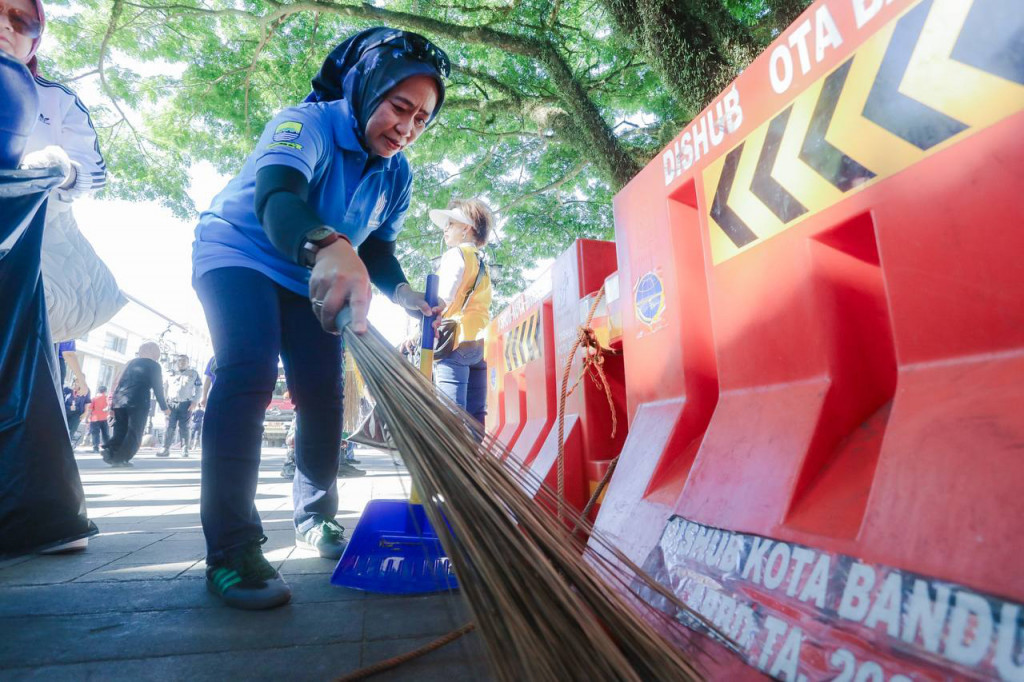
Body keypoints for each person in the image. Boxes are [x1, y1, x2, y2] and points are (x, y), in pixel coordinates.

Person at [191, 27, 448, 610]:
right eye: (398, 107)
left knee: (324, 394)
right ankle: (231, 548)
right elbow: (278, 198)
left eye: (421, 119)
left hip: (312, 277)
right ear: (366, 89)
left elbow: (377, 248)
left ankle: (315, 516)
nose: (406, 128)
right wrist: (327, 245)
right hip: (240, 254)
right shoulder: (304, 124)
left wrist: (403, 292)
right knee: (249, 372)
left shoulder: (398, 175)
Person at [428, 199, 493, 425]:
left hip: (454, 344)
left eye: (451, 224)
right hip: (479, 345)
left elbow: (443, 299)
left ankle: (451, 450)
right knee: (476, 416)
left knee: (451, 415)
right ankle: (473, 450)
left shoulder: (456, 255)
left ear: (466, 228)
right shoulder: (481, 261)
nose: (445, 229)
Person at [103, 342, 169, 467]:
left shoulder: (130, 363)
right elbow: (158, 388)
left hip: (120, 400)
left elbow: (117, 382)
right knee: (134, 432)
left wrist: (112, 405)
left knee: (120, 430)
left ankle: (111, 451)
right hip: (138, 401)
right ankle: (121, 458)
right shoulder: (154, 365)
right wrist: (164, 407)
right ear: (155, 352)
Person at [159, 354, 201, 458]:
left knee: (185, 427)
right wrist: (164, 404)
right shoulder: (169, 373)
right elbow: (164, 389)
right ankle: (165, 448)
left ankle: (184, 449)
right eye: (180, 360)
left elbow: (198, 389)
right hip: (171, 404)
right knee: (169, 426)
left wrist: (195, 402)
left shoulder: (193, 374)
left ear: (188, 363)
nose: (182, 362)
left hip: (186, 404)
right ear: (176, 362)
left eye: (184, 361)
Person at [85, 384, 111, 452]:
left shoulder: (94, 399)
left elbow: (90, 410)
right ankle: (107, 448)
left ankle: (96, 448)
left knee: (95, 434)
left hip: (95, 419)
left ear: (98, 391)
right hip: (105, 418)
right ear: (105, 391)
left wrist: (86, 418)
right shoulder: (107, 398)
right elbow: (110, 407)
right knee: (106, 434)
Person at [63, 381, 89, 445]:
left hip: (77, 413)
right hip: (65, 412)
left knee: (72, 429)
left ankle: (66, 444)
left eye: (78, 382)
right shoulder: (67, 389)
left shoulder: (86, 391)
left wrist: (86, 412)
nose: (76, 384)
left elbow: (87, 402)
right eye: (75, 382)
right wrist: (68, 407)